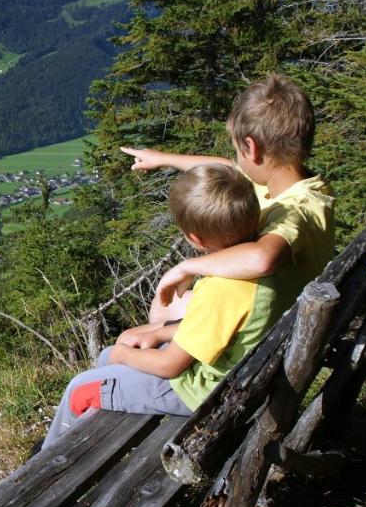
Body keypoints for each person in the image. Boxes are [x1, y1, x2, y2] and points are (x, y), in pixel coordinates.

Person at [43, 163, 295, 449]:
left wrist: (125, 356)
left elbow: (169, 365)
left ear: (195, 239)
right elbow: (223, 330)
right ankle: (88, 437)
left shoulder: (222, 289)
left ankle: (45, 463)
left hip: (202, 393)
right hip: (234, 379)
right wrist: (155, 336)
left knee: (80, 389)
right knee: (107, 356)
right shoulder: (264, 267)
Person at [121, 73, 335, 326]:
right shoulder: (292, 184)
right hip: (272, 307)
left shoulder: (297, 209)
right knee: (163, 309)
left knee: (163, 311)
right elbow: (226, 167)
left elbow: (262, 258)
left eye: (237, 149)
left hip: (270, 320)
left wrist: (188, 267)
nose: (236, 159)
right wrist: (163, 158)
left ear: (251, 147)